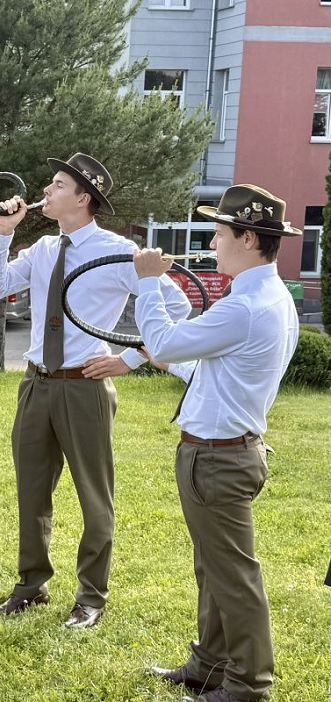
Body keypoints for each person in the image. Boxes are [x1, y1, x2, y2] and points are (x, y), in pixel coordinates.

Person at [0, 153, 191, 626]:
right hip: (36, 384)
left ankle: (91, 597)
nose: (46, 190)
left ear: (83, 198)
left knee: (95, 498)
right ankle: (30, 586)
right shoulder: (42, 249)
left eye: (58, 184)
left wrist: (129, 358)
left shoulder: (118, 251)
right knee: (32, 492)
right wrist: (3, 232)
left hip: (84, 387)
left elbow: (177, 306)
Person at [133, 184, 301, 702]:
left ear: (248, 238)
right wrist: (167, 357)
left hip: (218, 457)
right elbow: (215, 372)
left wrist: (148, 283)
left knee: (233, 576)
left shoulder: (246, 306)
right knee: (215, 568)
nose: (211, 242)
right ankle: (209, 665)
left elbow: (164, 339)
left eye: (219, 232)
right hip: (222, 452)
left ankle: (247, 685)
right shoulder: (265, 298)